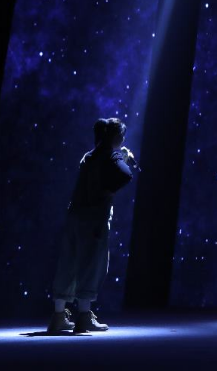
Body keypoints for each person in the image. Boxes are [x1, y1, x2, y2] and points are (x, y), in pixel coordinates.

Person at [47, 117, 137, 334]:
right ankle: (84, 317)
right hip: (94, 218)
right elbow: (126, 175)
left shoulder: (88, 156)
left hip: (75, 215)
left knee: (68, 262)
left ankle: (58, 316)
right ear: (116, 137)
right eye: (122, 136)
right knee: (91, 264)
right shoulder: (110, 154)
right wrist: (119, 165)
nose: (123, 140)